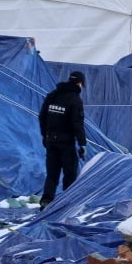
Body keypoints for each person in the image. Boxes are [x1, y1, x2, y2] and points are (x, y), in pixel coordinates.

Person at [38, 69, 88, 207]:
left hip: (51, 141)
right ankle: (67, 203)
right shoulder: (75, 100)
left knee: (52, 174)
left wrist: (45, 136)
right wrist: (82, 144)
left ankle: (46, 200)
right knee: (70, 173)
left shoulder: (52, 95)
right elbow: (77, 123)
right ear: (79, 83)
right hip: (66, 143)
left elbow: (42, 117)